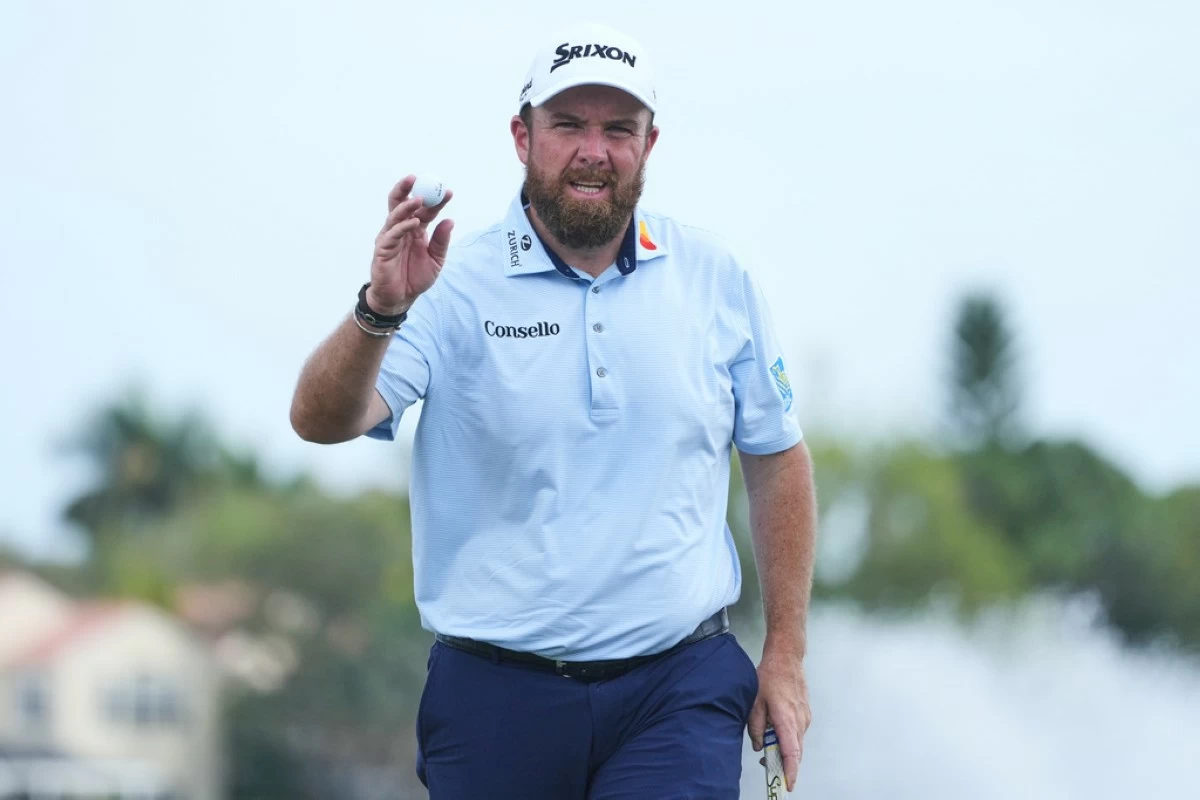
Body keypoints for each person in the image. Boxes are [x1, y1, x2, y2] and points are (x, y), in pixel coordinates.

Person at [290, 22, 816, 799]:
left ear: (650, 142)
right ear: (522, 136)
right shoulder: (452, 283)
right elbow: (322, 419)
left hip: (678, 685)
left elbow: (776, 460)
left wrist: (785, 657)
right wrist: (381, 308)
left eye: (618, 129)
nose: (593, 151)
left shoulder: (716, 275)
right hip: (495, 695)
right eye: (568, 125)